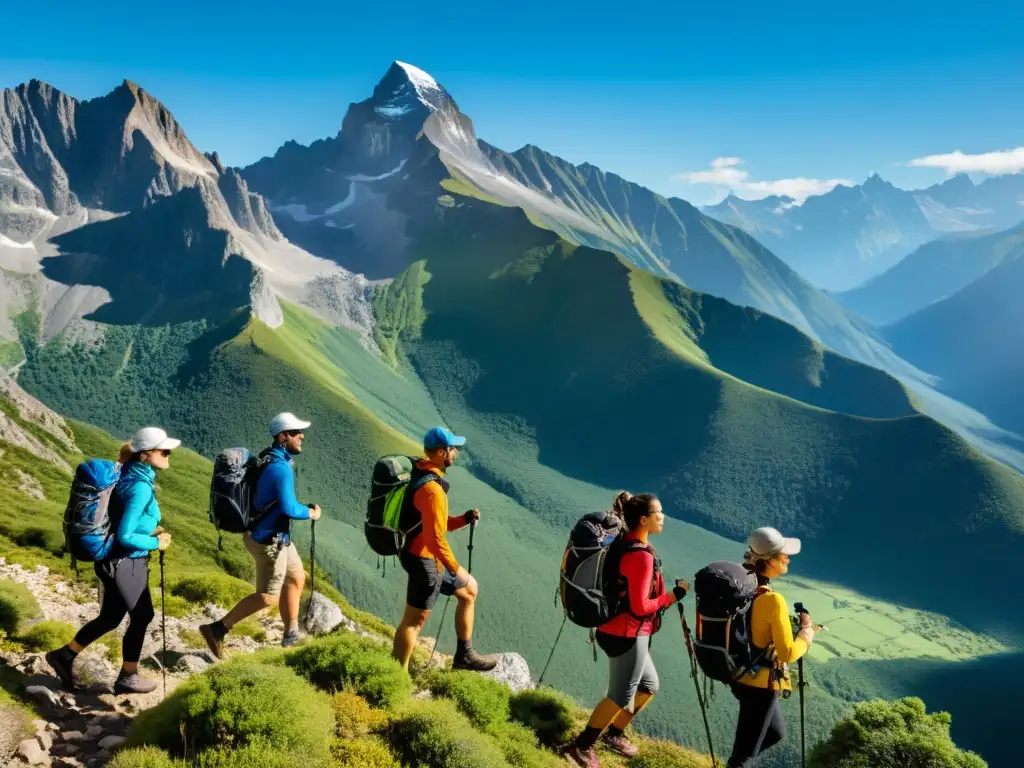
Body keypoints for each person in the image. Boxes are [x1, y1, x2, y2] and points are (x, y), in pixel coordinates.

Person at [46, 427, 178, 693]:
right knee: (142, 615)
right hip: (125, 561)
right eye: (163, 450)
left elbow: (119, 520)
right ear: (145, 455)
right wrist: (156, 542)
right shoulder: (140, 486)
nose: (168, 455)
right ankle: (128, 676)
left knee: (111, 617)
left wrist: (148, 530)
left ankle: (64, 655)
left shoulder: (126, 474)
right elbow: (127, 536)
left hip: (111, 560)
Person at [562, 493, 688, 768]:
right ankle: (580, 747)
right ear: (643, 520)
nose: (663, 517)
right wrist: (674, 595)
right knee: (619, 696)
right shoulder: (640, 556)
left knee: (649, 685)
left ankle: (614, 734)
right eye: (658, 513)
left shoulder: (629, 543)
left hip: (621, 630)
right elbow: (641, 606)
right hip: (627, 635)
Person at [199, 412, 321, 657]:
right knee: (267, 597)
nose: (302, 436)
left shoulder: (271, 458)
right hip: (269, 541)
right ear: (282, 436)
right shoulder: (280, 468)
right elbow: (289, 507)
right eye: (296, 432)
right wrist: (310, 513)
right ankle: (217, 629)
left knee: (296, 578)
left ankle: (290, 634)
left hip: (275, 537)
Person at [391, 427, 497, 673]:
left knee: (469, 590)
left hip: (418, 554)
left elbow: (434, 523)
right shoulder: (432, 490)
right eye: (453, 449)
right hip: (424, 561)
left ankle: (465, 655)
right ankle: (396, 676)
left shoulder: (420, 472)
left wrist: (463, 519)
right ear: (441, 452)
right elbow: (435, 537)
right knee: (413, 622)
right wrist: (453, 567)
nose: (456, 453)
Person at [726, 527, 816, 768]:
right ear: (771, 561)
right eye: (784, 554)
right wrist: (807, 634)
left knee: (774, 733)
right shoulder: (772, 600)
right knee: (746, 756)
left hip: (741, 673)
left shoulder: (744, 587)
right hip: (761, 685)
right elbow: (787, 652)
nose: (788, 558)